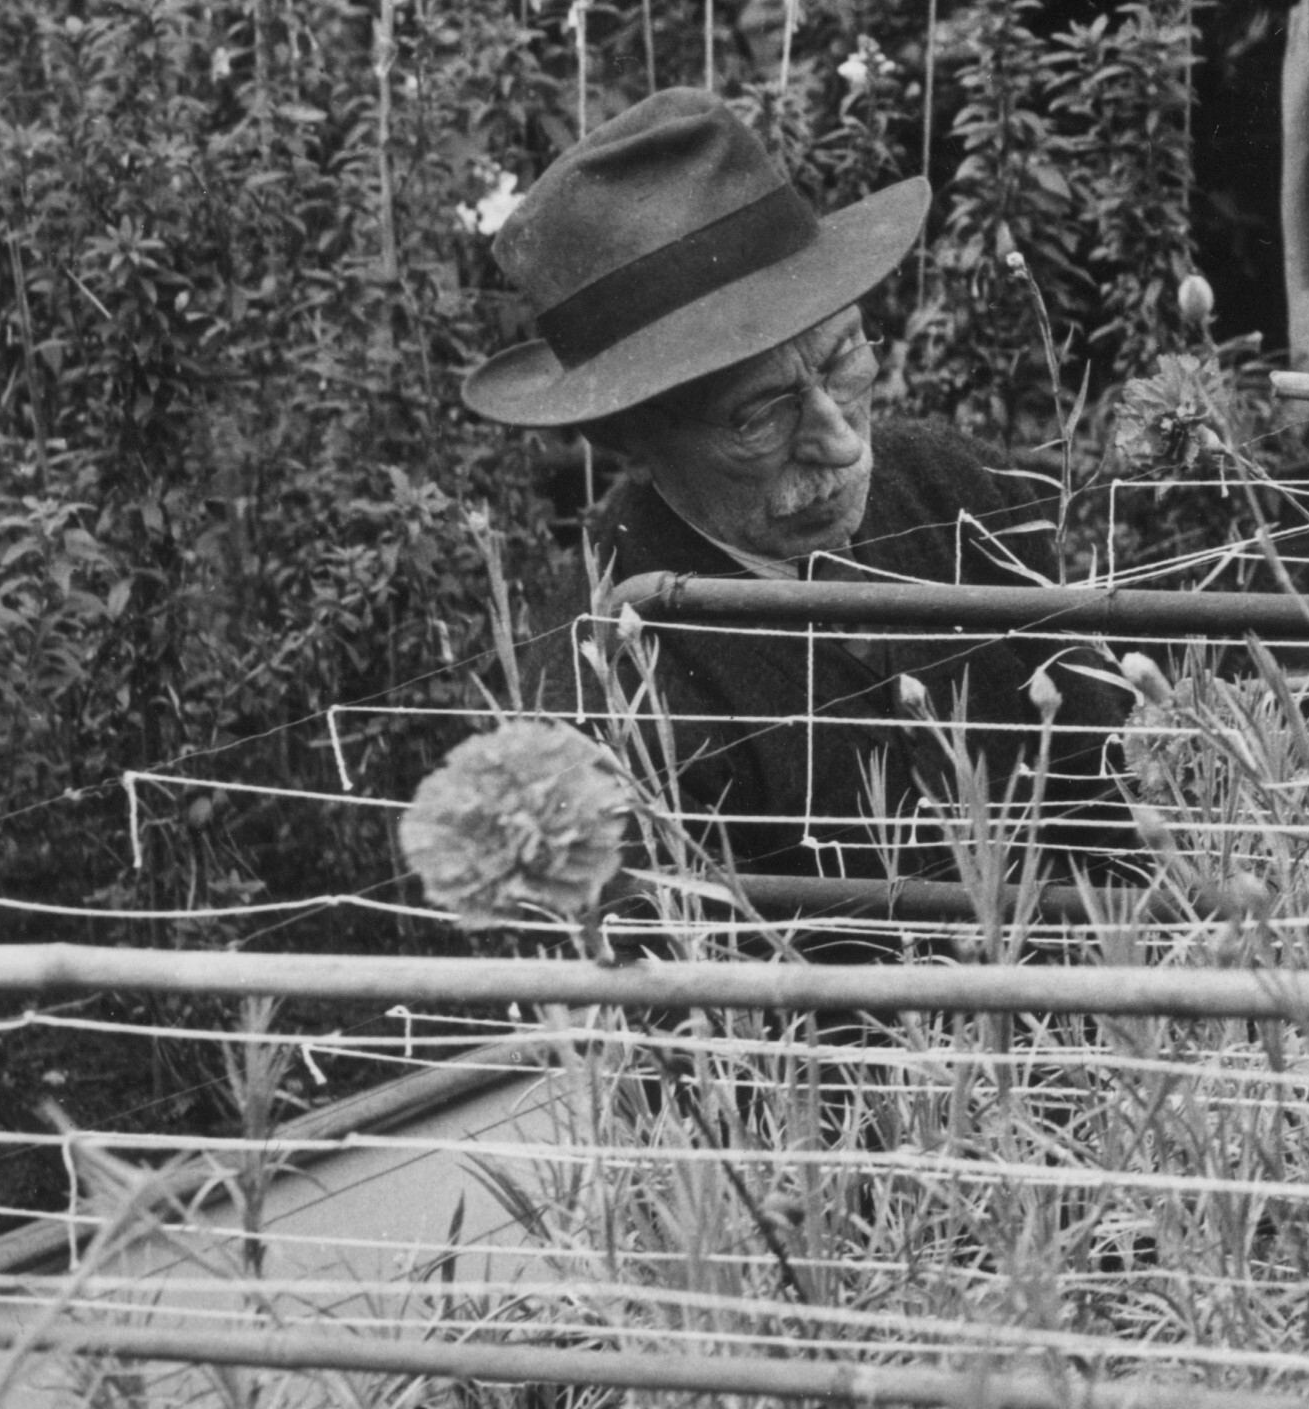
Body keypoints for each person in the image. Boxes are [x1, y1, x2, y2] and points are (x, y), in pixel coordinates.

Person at [462, 87, 1127, 896]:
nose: (841, 443)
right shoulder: (607, 692)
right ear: (626, 437)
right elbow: (699, 1005)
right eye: (757, 415)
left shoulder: (957, 487)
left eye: (843, 359)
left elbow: (1118, 794)